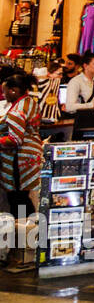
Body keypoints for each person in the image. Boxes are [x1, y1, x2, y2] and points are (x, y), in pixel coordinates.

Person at [0, 73, 43, 220]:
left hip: (19, 159)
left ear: (13, 90)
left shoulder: (17, 110)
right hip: (32, 154)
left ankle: (24, 233)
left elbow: (15, 139)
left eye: (4, 91)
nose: (3, 94)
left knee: (18, 197)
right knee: (23, 196)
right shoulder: (30, 102)